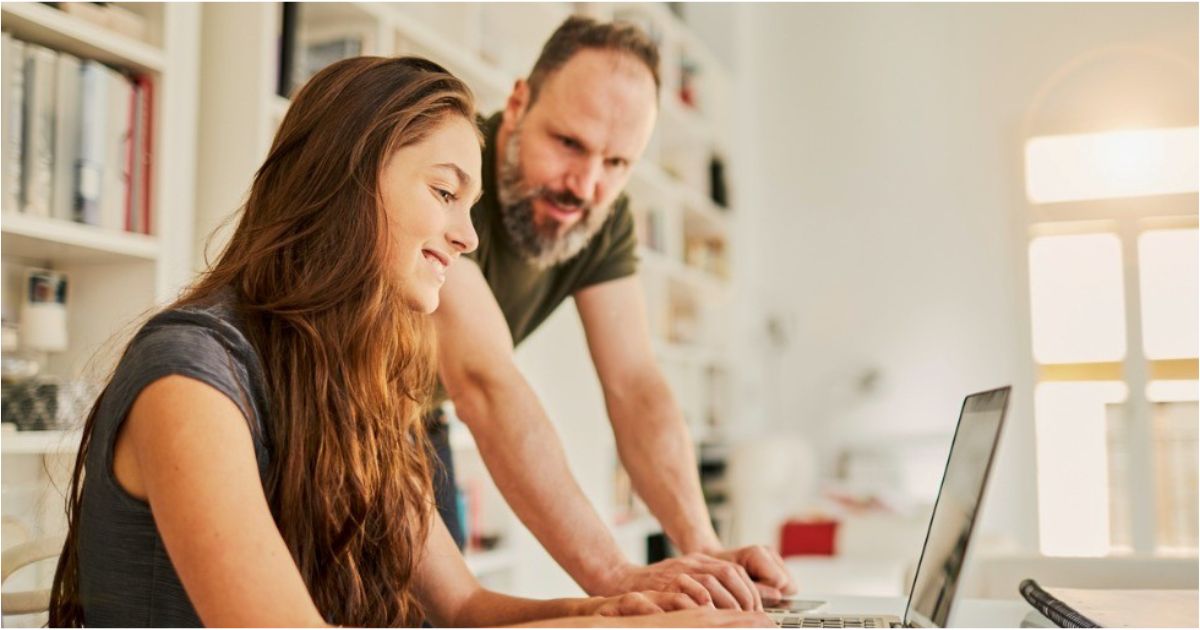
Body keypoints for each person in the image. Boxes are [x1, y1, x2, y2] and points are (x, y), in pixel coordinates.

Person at [47, 56, 771, 628]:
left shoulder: (362, 390)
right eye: (445, 193)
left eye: (471, 203)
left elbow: (464, 609)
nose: (468, 236)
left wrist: (623, 607)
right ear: (348, 180)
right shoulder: (192, 380)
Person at [431, 16, 796, 612]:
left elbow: (635, 383)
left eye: (617, 163)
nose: (586, 185)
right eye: (569, 144)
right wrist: (615, 573)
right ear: (519, 103)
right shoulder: (452, 171)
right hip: (320, 404)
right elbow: (483, 383)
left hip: (417, 423)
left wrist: (703, 549)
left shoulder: (605, 218)